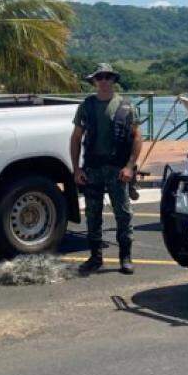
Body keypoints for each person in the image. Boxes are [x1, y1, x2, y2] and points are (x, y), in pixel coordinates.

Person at [70, 63, 143, 274]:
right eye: (99, 77)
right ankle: (95, 257)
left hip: (117, 169)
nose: (103, 81)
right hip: (92, 168)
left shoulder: (126, 107)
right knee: (93, 214)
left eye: (107, 77)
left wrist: (130, 166)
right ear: (93, 81)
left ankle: (125, 257)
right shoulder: (87, 106)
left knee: (123, 213)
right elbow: (76, 138)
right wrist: (76, 169)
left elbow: (137, 137)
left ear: (113, 80)